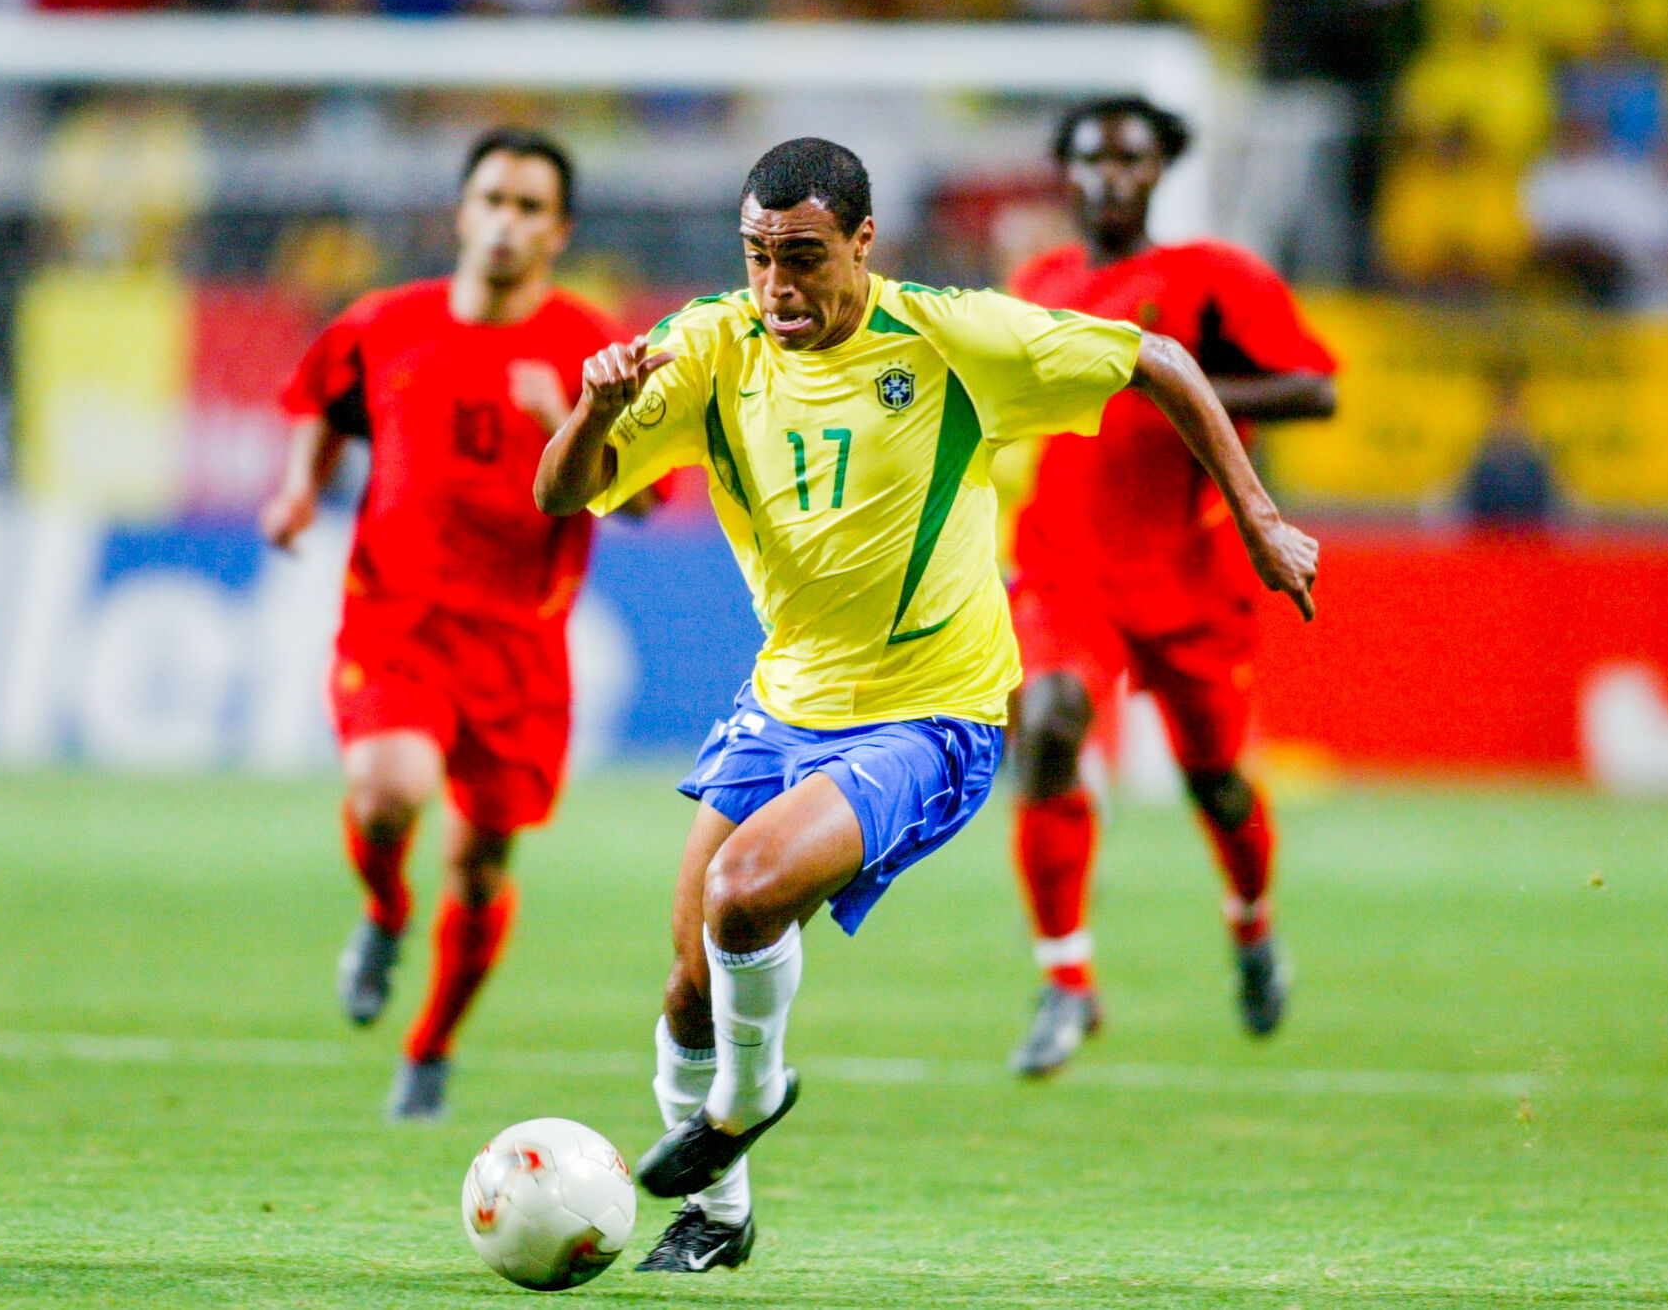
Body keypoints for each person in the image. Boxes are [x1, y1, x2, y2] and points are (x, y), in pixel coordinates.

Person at [533, 137, 1318, 1272]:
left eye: (800, 257)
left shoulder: (950, 337)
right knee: (688, 986)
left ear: (861, 242)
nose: (775, 285)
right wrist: (596, 410)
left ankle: (739, 1110)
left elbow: (1158, 360)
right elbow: (558, 493)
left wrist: (1254, 517)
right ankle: (721, 1211)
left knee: (744, 895)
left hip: (930, 717)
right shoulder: (707, 345)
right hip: (782, 700)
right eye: (755, 256)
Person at [261, 127, 654, 1122]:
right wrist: (298, 492)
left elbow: (647, 500)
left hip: (518, 648)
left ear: (557, 230)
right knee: (387, 788)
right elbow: (319, 398)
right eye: (492, 199)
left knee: (478, 868)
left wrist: (571, 420)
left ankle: (430, 1044)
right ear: (460, 212)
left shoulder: (587, 349)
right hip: (397, 620)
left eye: (529, 207)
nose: (506, 222)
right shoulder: (383, 322)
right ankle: (385, 912)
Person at [1002, 96, 1338, 1078]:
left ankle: (1250, 925)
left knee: (1216, 782)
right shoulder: (1037, 284)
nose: (1110, 177)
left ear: (1159, 172)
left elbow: (1312, 388)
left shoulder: (1209, 278)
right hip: (1064, 566)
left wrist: (1171, 381)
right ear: (1065, 173)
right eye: (1091, 159)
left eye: (1131, 160)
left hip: (1185, 576)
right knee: (1052, 723)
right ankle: (1064, 983)